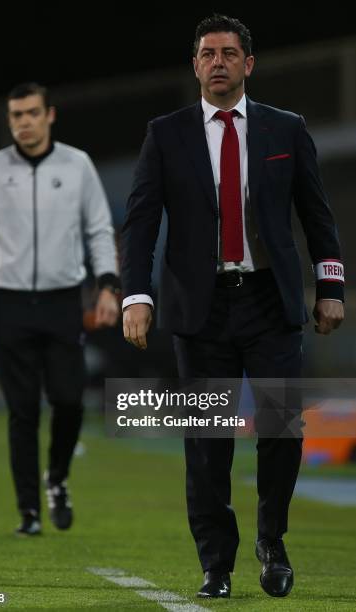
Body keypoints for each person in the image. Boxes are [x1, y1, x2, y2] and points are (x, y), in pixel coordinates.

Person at [120, 14, 344, 599]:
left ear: (249, 64)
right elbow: (141, 223)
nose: (217, 61)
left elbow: (317, 216)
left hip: (271, 303)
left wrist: (332, 288)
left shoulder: (286, 129)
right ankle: (216, 564)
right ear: (195, 65)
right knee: (208, 442)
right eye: (207, 53)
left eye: (229, 52)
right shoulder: (165, 134)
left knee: (282, 431)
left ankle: (272, 538)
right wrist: (136, 296)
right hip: (200, 311)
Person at [0, 82, 120, 536]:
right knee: (22, 410)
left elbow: (99, 231)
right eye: (16, 115)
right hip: (9, 303)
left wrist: (108, 285)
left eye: (31, 113)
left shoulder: (76, 165)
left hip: (63, 300)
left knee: (69, 401)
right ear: (9, 121)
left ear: (50, 115)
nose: (23, 122)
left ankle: (57, 477)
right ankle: (28, 511)